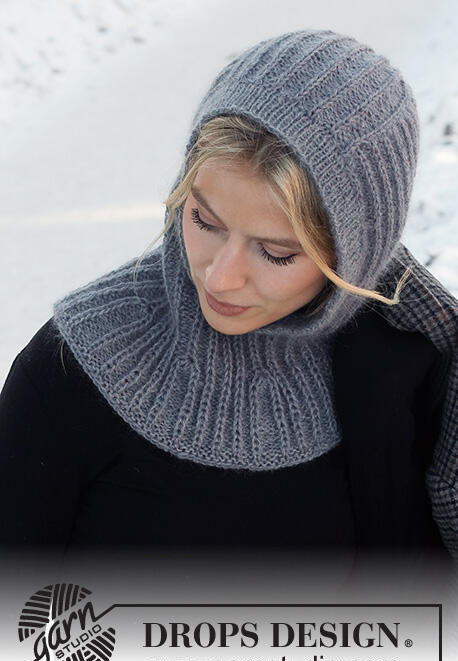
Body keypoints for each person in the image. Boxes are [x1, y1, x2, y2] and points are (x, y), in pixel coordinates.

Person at [0, 29, 456, 582]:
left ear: (357, 252)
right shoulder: (69, 371)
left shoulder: (405, 367)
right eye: (203, 220)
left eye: (276, 253)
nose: (220, 277)